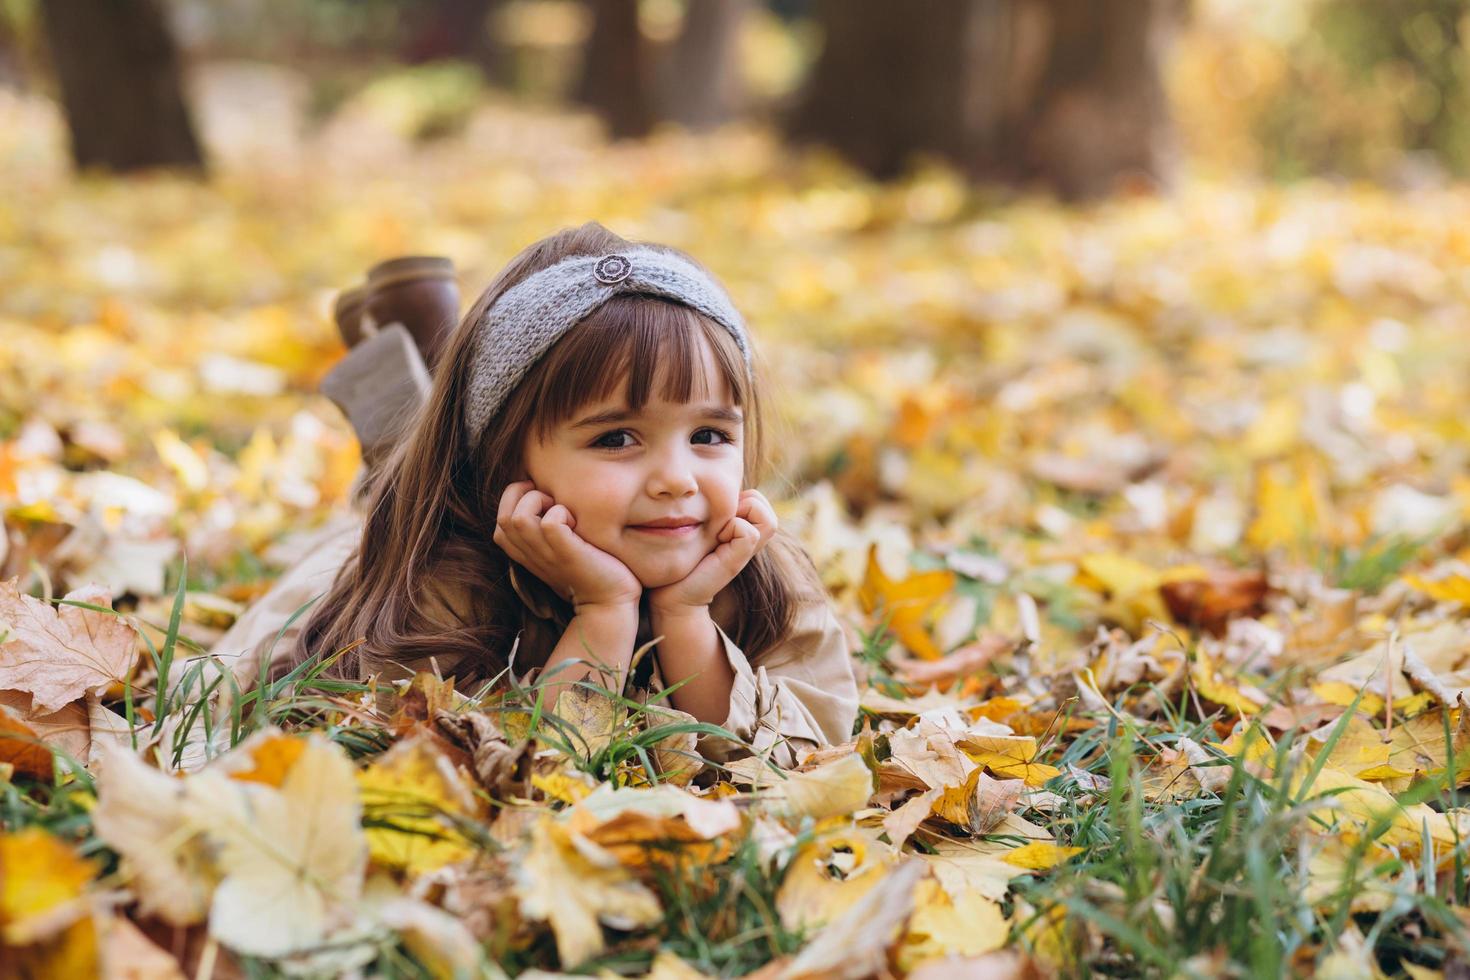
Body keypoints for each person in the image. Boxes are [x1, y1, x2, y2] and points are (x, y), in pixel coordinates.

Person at [204, 222, 859, 769]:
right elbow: (525, 771)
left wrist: (687, 617)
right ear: (505, 467)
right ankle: (407, 429)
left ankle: (419, 385)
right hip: (414, 535)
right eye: (618, 439)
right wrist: (604, 612)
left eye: (709, 433)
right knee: (395, 497)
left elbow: (802, 760)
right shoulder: (430, 584)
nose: (678, 479)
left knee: (410, 461)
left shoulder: (765, 574)